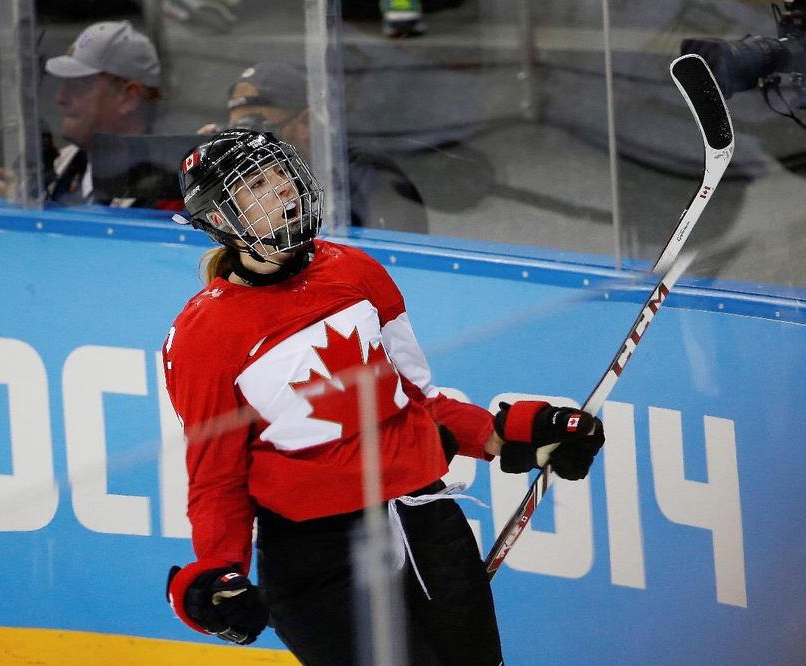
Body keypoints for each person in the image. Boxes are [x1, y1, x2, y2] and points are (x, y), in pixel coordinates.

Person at [162, 129, 605, 665]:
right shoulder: (203, 335)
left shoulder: (355, 271)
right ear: (221, 219)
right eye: (256, 184)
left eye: (282, 173)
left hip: (427, 530)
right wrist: (216, 572)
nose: (282, 190)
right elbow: (217, 478)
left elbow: (420, 402)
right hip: (317, 562)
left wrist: (512, 433)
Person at [201, 61, 430, 233]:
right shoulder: (239, 182)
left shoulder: (364, 174)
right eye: (238, 133)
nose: (249, 148)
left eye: (259, 132)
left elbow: (397, 261)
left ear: (306, 123)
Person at [0, 20, 176, 208]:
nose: (60, 98)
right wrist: (10, 206)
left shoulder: (172, 192)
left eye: (78, 86)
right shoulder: (59, 166)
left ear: (129, 98)